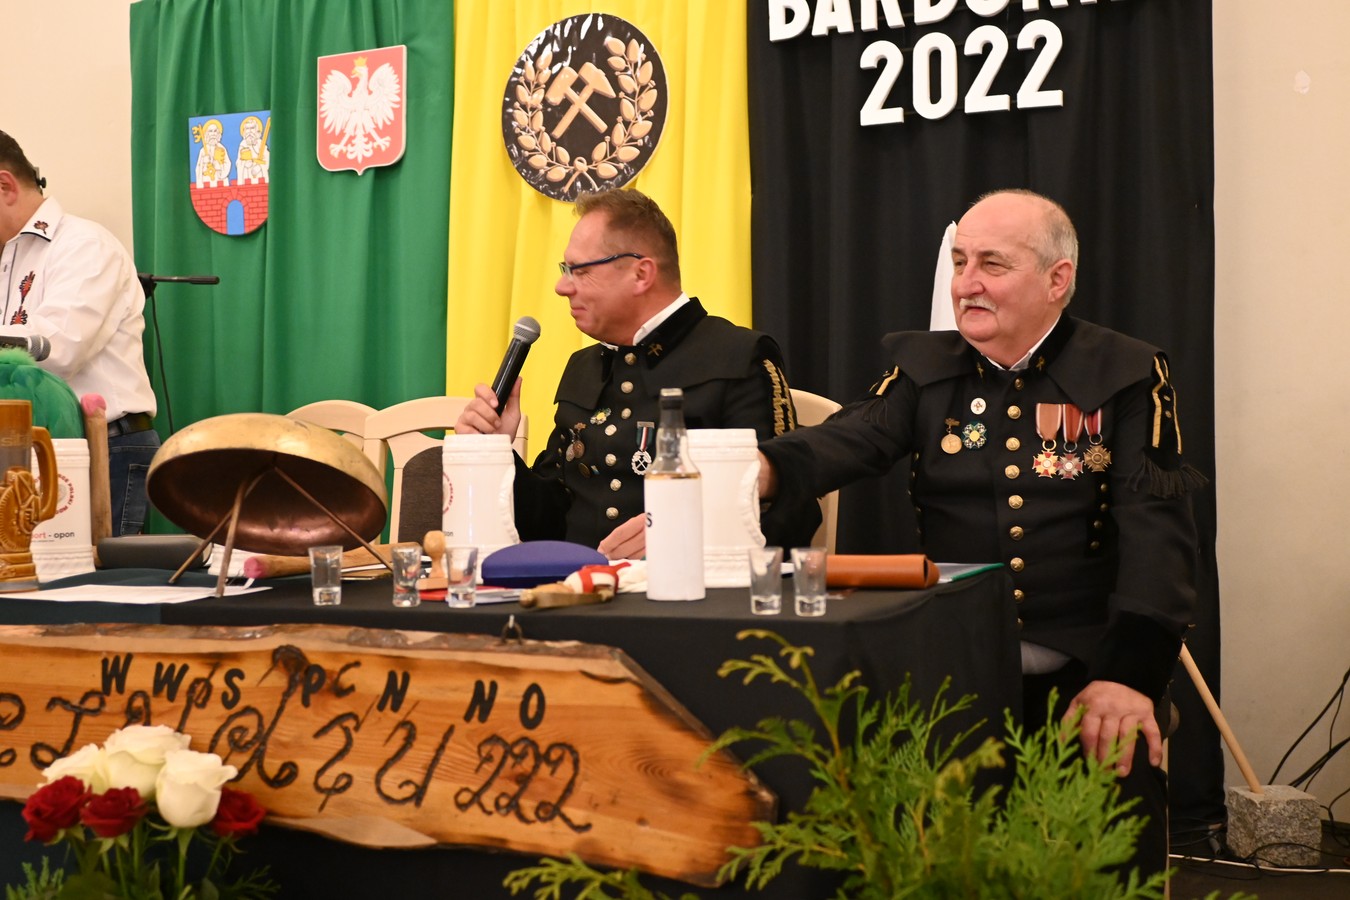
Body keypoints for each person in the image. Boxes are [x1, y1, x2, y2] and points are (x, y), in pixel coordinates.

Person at [757, 189, 1202, 878]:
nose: (967, 283)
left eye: (992, 264)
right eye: (960, 262)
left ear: (1057, 279)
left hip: (1086, 674)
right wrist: (760, 468)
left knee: (1105, 842)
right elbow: (850, 438)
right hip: (955, 669)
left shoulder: (1126, 374)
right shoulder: (923, 369)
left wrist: (1128, 677)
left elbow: (1158, 538)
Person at [456, 187, 817, 558]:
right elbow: (549, 524)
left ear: (641, 273)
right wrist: (496, 453)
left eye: (580, 270)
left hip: (684, 589)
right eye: (566, 270)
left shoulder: (738, 357)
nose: (562, 287)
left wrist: (682, 532)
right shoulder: (583, 367)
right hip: (577, 587)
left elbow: (789, 514)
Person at [0, 130, 160, 536]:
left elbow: (58, 351)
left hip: (107, 447)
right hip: (40, 449)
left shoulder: (85, 244)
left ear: (5, 186)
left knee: (99, 575)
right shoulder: (10, 258)